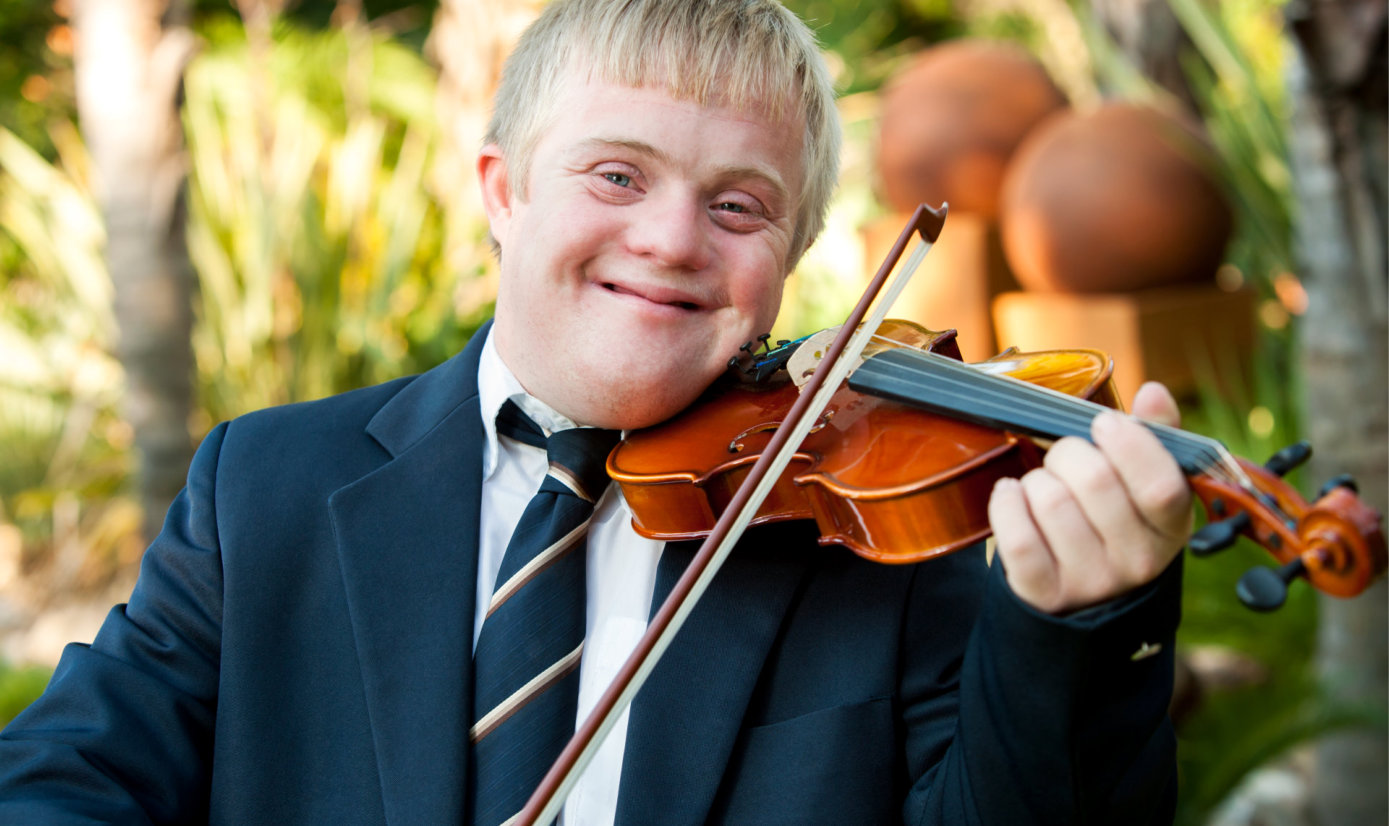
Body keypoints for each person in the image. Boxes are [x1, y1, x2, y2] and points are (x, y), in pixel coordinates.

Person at [0, 0, 1192, 823]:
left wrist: (1077, 623)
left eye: (740, 206)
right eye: (617, 175)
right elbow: (67, 776)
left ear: (794, 257)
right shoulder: (263, 490)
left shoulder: (884, 549)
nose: (670, 241)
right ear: (503, 191)